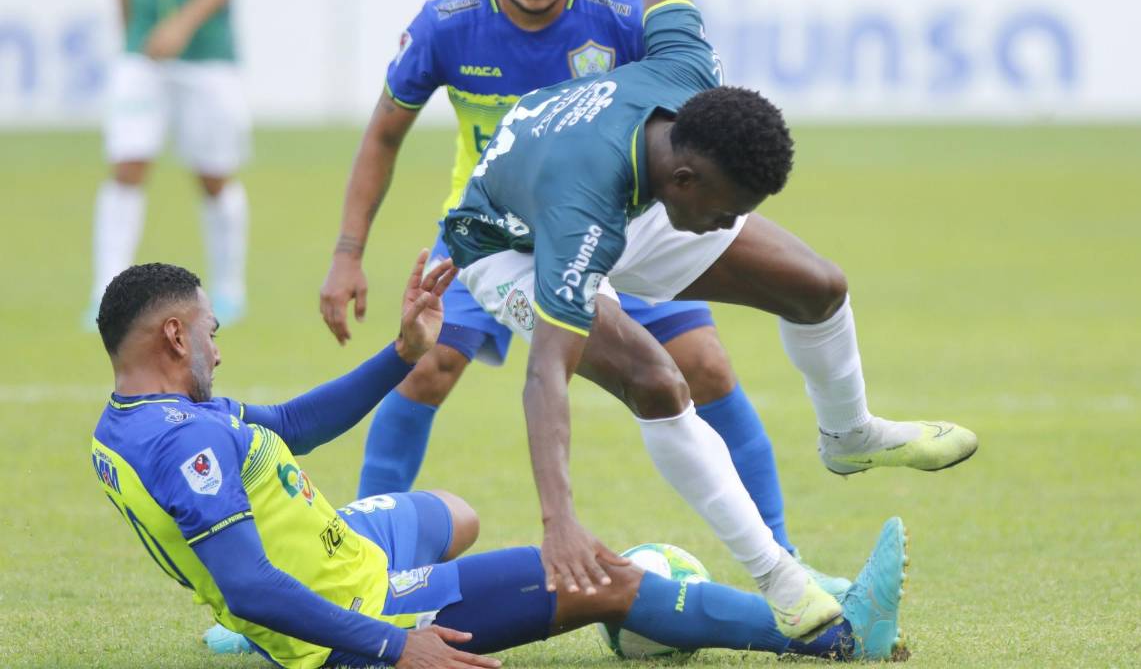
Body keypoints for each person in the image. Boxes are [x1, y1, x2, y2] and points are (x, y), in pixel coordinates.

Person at [442, 0, 978, 640]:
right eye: (726, 210)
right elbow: (544, 376)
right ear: (688, 177)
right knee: (659, 380)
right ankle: (780, 579)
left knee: (818, 285)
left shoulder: (689, 76)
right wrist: (557, 518)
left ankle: (849, 433)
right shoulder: (580, 209)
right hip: (510, 243)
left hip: (634, 193)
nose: (730, 225)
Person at [90, 252, 910, 667]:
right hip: (362, 615)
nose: (216, 352)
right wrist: (390, 645)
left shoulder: (134, 422)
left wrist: (402, 352)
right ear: (173, 335)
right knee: (602, 576)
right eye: (209, 334)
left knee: (453, 515)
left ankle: (268, 630)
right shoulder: (185, 439)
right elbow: (247, 582)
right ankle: (830, 638)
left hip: (333, 562)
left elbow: (292, 426)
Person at [319, 0, 804, 566]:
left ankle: (786, 557)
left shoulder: (618, 13)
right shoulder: (447, 24)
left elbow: (686, 120)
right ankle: (356, 570)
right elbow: (384, 135)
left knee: (707, 367)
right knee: (425, 366)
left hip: (613, 219)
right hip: (491, 231)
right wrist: (346, 253)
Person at [87, 0, 250, 328]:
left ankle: (230, 287)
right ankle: (105, 289)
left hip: (206, 55)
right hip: (142, 56)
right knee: (127, 164)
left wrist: (182, 25)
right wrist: (130, 37)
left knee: (214, 174)